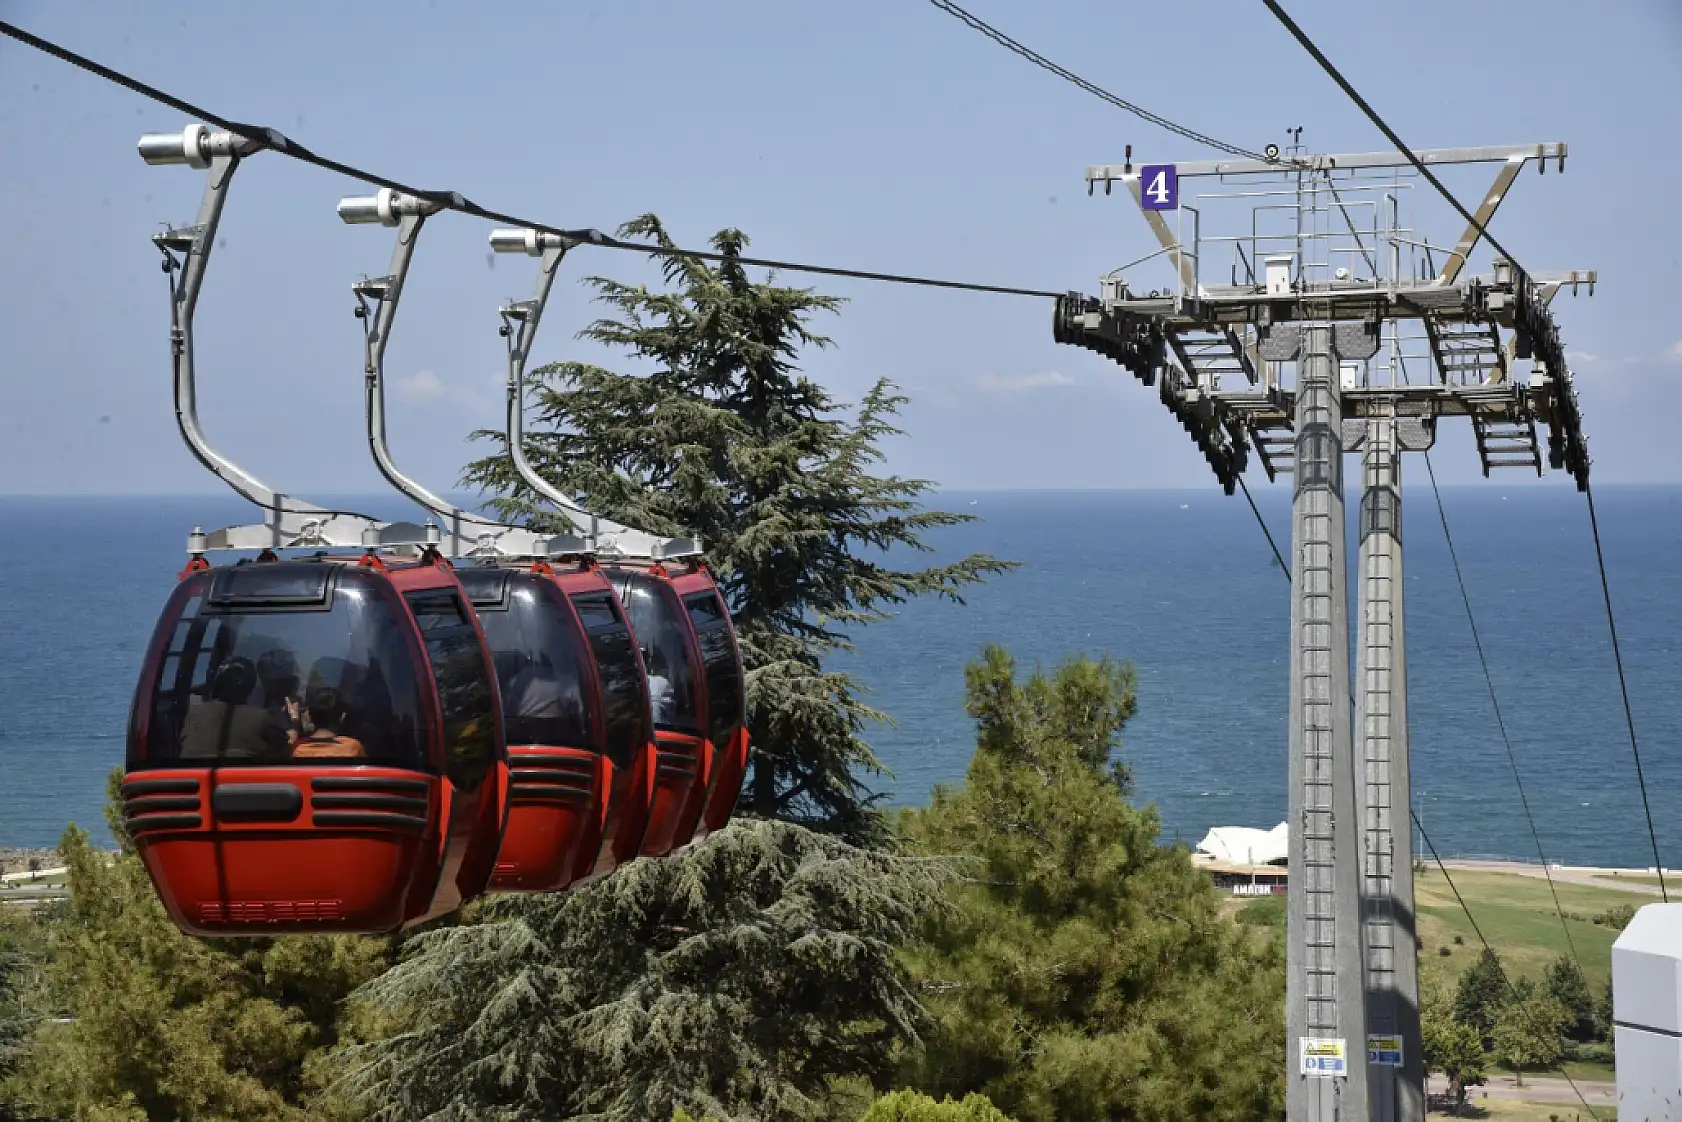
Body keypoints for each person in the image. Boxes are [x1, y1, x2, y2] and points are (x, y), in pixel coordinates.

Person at [179, 656, 290, 761]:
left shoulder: (194, 715)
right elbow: (284, 752)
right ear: (250, 687)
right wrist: (294, 724)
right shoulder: (261, 718)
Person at [290, 685, 366, 759]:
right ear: (342, 717)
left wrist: (295, 724)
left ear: (310, 716)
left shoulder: (299, 750)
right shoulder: (353, 748)